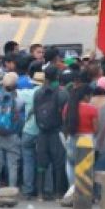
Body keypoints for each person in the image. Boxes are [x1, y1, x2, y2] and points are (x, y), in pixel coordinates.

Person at [33, 66, 69, 200]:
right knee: (58, 163)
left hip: (42, 131)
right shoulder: (63, 93)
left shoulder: (38, 92)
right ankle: (58, 193)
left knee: (41, 164)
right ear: (58, 76)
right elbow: (66, 114)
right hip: (57, 131)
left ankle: (40, 194)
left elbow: (36, 111)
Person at [0, 72, 24, 201]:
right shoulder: (19, 101)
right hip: (12, 135)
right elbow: (20, 119)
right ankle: (12, 191)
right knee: (12, 165)